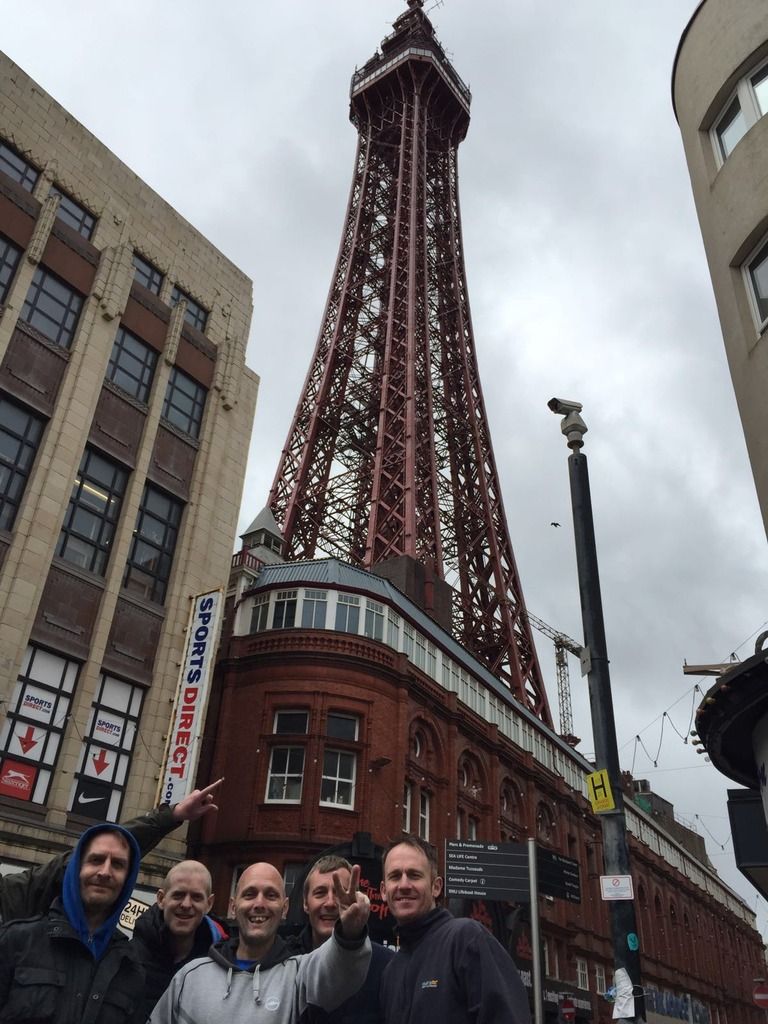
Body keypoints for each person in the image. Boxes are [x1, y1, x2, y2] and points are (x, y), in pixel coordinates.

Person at [150, 860, 372, 1024]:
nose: (259, 904)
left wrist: (350, 933)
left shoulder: (300, 976)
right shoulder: (189, 977)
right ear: (233, 906)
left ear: (285, 908)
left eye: (271, 895)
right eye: (249, 894)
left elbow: (340, 973)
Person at [0, 778, 223, 925]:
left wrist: (171, 816)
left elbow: (88, 857)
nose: (105, 871)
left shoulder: (12, 894)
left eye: (116, 865)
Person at [0, 823, 145, 1023]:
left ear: (128, 879)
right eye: (96, 860)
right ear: (77, 868)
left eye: (118, 864)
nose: (105, 872)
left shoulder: (130, 969)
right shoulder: (17, 940)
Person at [379, 835, 531, 1024]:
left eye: (414, 875)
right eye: (395, 876)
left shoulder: (467, 939)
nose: (403, 885)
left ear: (436, 887)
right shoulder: (391, 972)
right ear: (384, 891)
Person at [289, 854, 393, 1024]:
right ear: (305, 904)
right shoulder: (286, 962)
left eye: (340, 893)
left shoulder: (386, 966)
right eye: (320, 893)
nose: (330, 903)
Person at [132, 859, 229, 1019]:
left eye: (196, 897)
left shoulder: (222, 965)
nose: (186, 904)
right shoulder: (129, 957)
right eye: (178, 895)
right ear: (161, 899)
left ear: (209, 904)